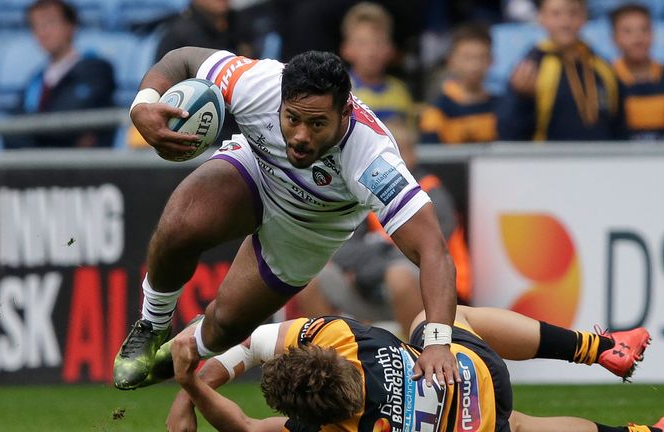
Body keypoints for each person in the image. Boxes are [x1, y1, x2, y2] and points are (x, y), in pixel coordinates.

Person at [113, 48, 459, 391]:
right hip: (258, 171)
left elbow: (433, 250)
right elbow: (182, 59)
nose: (301, 136)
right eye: (292, 118)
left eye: (317, 123)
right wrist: (142, 104)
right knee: (181, 224)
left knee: (227, 325)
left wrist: (438, 343)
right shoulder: (257, 84)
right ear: (279, 101)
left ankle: (184, 349)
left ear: (345, 113)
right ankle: (151, 324)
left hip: (309, 227)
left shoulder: (372, 159)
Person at [162, 306, 664, 432]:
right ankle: (597, 347)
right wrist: (188, 378)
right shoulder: (338, 336)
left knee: (517, 426)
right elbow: (251, 344)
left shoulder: (340, 426)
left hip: (471, 422)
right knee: (434, 319)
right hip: (477, 373)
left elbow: (245, 427)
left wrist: (190, 389)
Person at [294, 120, 472, 335]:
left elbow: (427, 251)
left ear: (413, 155)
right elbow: (342, 249)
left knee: (398, 276)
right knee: (313, 278)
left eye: (398, 151)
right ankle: (331, 359)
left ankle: (417, 353)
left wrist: (370, 265)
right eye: (386, 150)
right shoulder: (364, 189)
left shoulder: (431, 190)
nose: (391, 158)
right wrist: (375, 261)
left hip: (432, 292)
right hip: (370, 286)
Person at [500, 0, 626, 142]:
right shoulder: (529, 67)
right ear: (541, 18)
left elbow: (619, 125)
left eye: (573, 13)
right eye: (556, 14)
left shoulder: (602, 67)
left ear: (584, 17)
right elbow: (510, 132)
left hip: (600, 160)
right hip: (548, 161)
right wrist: (522, 99)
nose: (565, 22)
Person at [8, 0, 116, 149]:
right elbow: (12, 131)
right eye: (35, 26)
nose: (42, 32)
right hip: (40, 166)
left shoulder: (96, 70)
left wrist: (34, 133)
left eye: (50, 23)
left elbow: (68, 123)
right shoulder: (35, 80)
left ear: (70, 26)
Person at [609, 3, 664, 141]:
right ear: (614, 38)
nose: (638, 38)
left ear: (653, 34)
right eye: (627, 31)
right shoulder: (605, 80)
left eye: (644, 29)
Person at [419, 23, 503, 144]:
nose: (475, 66)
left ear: (492, 60)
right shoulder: (436, 111)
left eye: (482, 57)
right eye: (467, 57)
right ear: (451, 61)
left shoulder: (503, 107)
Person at [339, 2, 415, 123]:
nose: (371, 51)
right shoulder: (340, 91)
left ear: (391, 49)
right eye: (362, 43)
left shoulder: (400, 91)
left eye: (378, 42)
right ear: (346, 49)